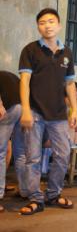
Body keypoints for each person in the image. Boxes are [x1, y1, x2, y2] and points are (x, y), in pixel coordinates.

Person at [19, 8, 77, 215]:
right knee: (33, 158)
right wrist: (25, 109)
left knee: (63, 154)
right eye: (43, 22)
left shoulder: (67, 53)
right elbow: (24, 81)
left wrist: (74, 110)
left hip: (59, 114)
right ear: (38, 26)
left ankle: (53, 193)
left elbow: (70, 84)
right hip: (35, 112)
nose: (47, 25)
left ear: (59, 25)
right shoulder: (30, 50)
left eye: (51, 21)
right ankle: (36, 198)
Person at [0, 71, 28, 213]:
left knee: (0, 153)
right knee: (20, 153)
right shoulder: (8, 75)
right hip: (23, 109)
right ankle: (24, 190)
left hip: (9, 108)